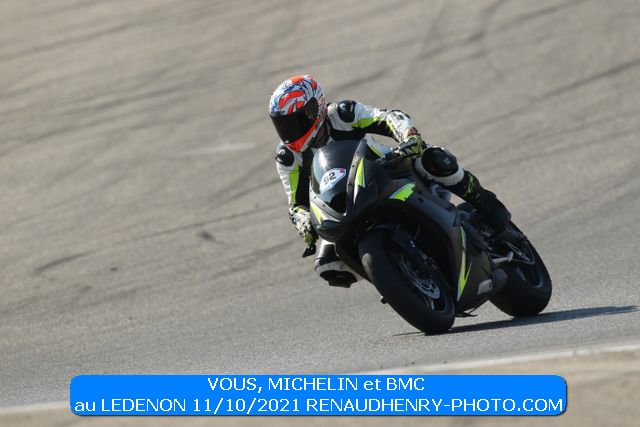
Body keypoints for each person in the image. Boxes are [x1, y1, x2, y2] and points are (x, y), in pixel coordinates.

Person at [269, 75, 512, 287]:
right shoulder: (287, 156)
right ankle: (399, 276)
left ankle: (484, 201)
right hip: (343, 202)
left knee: (434, 159)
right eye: (282, 125)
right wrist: (303, 221)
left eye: (294, 121)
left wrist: (409, 137)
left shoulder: (342, 113)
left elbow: (387, 117)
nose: (288, 132)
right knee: (328, 263)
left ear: (314, 109)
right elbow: (296, 203)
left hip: (384, 169)